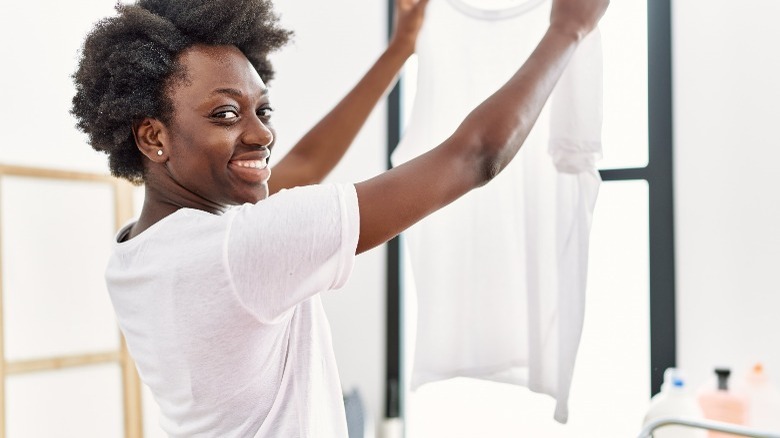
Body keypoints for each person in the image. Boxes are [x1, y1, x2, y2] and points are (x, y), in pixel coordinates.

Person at [71, 0, 608, 436]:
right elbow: (474, 157)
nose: (261, 134)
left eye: (264, 109)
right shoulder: (238, 251)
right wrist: (568, 30)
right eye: (226, 115)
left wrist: (401, 48)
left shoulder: (136, 254)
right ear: (153, 137)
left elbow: (301, 166)